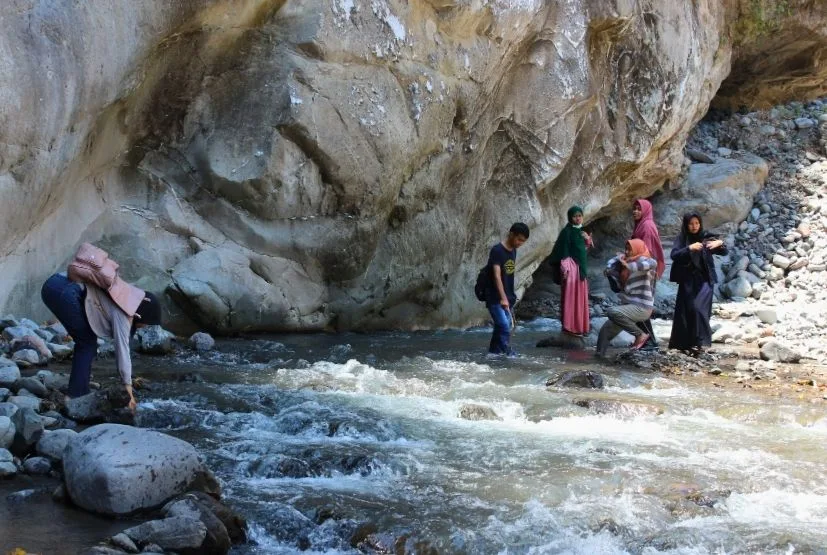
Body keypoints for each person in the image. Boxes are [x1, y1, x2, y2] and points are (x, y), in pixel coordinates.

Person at [41, 272, 162, 411]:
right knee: (87, 343)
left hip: (56, 282)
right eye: (147, 323)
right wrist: (129, 392)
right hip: (64, 290)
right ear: (143, 314)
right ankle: (75, 397)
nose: (145, 327)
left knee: (86, 340)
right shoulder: (123, 312)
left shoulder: (128, 295)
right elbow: (122, 352)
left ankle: (81, 389)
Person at [668, 212, 727, 355]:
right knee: (686, 310)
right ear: (686, 225)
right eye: (691, 224)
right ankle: (685, 344)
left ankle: (700, 343)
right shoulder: (682, 238)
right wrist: (689, 248)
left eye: (697, 223)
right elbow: (674, 255)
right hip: (687, 280)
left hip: (706, 279)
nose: (694, 226)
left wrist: (721, 243)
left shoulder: (706, 237)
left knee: (699, 308)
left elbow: (724, 251)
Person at [596, 239, 658, 358]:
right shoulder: (624, 263)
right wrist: (612, 269)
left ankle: (640, 335)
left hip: (642, 307)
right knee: (605, 332)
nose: (627, 251)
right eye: (626, 249)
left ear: (637, 249)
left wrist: (629, 266)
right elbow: (612, 265)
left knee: (612, 311)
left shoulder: (644, 262)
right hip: (628, 307)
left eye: (630, 249)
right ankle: (598, 360)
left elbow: (653, 263)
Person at [485, 222, 530, 356]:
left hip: (507, 296)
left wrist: (509, 296)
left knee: (501, 327)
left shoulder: (513, 250)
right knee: (504, 326)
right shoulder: (497, 250)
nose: (520, 243)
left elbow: (508, 275)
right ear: (511, 234)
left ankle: (493, 353)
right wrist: (503, 298)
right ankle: (508, 353)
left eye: (523, 241)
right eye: (519, 239)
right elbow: (497, 276)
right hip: (495, 296)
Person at [549, 206, 593, 336]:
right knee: (571, 297)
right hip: (571, 269)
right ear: (570, 217)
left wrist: (587, 240)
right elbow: (563, 251)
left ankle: (579, 326)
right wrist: (566, 268)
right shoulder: (566, 232)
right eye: (575, 216)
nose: (578, 218)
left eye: (580, 215)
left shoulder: (581, 232)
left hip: (581, 269)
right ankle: (569, 326)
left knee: (580, 298)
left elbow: (583, 250)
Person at [630, 199, 665, 350]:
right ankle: (645, 340)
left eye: (639, 209)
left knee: (640, 306)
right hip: (642, 270)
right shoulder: (641, 225)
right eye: (634, 208)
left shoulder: (647, 227)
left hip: (646, 273)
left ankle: (649, 341)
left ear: (645, 211)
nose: (636, 211)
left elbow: (646, 252)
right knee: (638, 305)